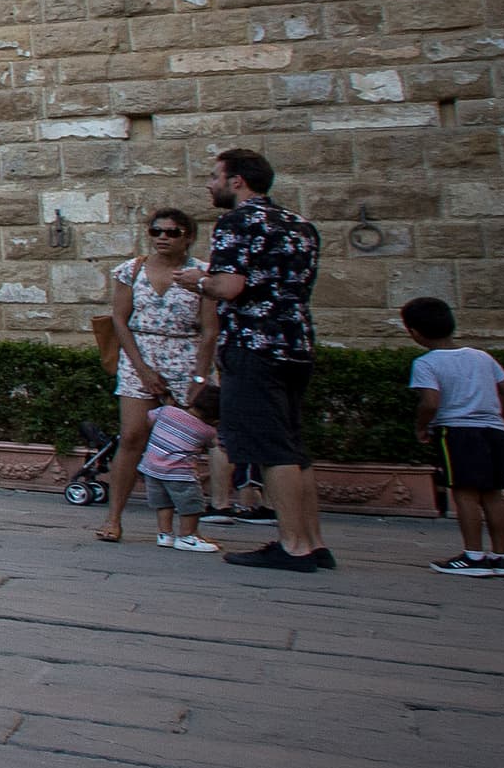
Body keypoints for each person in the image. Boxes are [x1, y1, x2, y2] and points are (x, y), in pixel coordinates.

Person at [199, 148, 329, 571]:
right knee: (294, 446)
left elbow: (230, 286)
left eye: (215, 176)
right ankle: (312, 540)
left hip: (254, 345)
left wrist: (197, 281)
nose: (210, 184)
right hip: (296, 343)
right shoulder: (301, 225)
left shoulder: (237, 221)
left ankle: (292, 546)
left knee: (273, 450)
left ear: (237, 180)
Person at [95, 209, 216, 544]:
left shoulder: (202, 274)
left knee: (185, 442)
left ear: (188, 237)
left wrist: (200, 378)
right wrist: (143, 369)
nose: (163, 237)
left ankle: (185, 527)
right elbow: (120, 320)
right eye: (156, 231)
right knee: (132, 436)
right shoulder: (131, 270)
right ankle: (114, 518)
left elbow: (209, 331)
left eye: (173, 232)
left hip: (185, 358)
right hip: (140, 354)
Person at [405, 297, 504, 578]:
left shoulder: (426, 363)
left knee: (464, 493)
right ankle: (501, 557)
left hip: (456, 431)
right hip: (493, 429)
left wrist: (422, 425)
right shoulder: (482, 357)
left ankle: (473, 555)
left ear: (415, 333)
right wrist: (495, 414)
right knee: (493, 494)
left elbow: (431, 402)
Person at [137, 385, 224, 549]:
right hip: (180, 474)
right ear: (215, 419)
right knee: (191, 505)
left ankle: (165, 534)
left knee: (163, 503)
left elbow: (149, 419)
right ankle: (187, 536)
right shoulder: (207, 430)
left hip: (152, 469)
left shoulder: (167, 411)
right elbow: (214, 445)